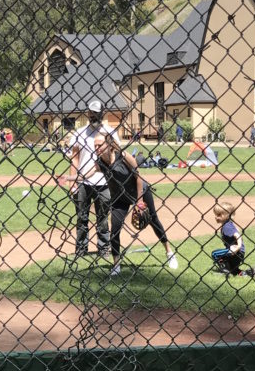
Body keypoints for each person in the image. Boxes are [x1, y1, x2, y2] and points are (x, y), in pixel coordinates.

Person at [93, 132, 178, 276]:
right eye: (94, 145)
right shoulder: (100, 161)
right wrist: (70, 178)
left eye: (99, 145)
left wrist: (139, 201)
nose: (96, 148)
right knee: (115, 229)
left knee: (153, 220)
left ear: (108, 144)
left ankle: (169, 253)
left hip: (140, 192)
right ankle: (116, 265)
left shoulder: (124, 156)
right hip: (120, 198)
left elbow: (138, 177)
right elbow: (87, 173)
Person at [67, 99, 118, 258]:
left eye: (96, 113)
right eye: (91, 113)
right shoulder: (79, 133)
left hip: (104, 182)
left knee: (102, 219)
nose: (93, 116)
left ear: (102, 114)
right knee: (81, 218)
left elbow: (116, 157)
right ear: (87, 113)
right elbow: (74, 158)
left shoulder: (110, 132)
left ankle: (103, 248)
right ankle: (81, 249)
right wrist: (73, 182)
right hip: (83, 183)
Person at [211, 199, 255, 277]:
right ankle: (249, 273)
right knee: (234, 271)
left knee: (215, 254)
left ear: (227, 215)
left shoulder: (227, 226)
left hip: (236, 251)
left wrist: (238, 246)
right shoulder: (228, 224)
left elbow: (237, 235)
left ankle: (224, 271)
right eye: (216, 214)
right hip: (240, 253)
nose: (216, 217)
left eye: (219, 215)